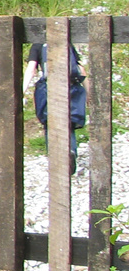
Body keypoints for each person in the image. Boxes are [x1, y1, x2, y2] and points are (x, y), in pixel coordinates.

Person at [25, 42, 87, 174]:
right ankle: (71, 151)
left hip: (49, 89)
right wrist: (90, 93)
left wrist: (21, 91)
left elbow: (31, 70)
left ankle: (55, 158)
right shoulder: (67, 43)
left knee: (50, 124)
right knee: (69, 124)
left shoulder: (38, 45)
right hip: (70, 89)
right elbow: (81, 70)